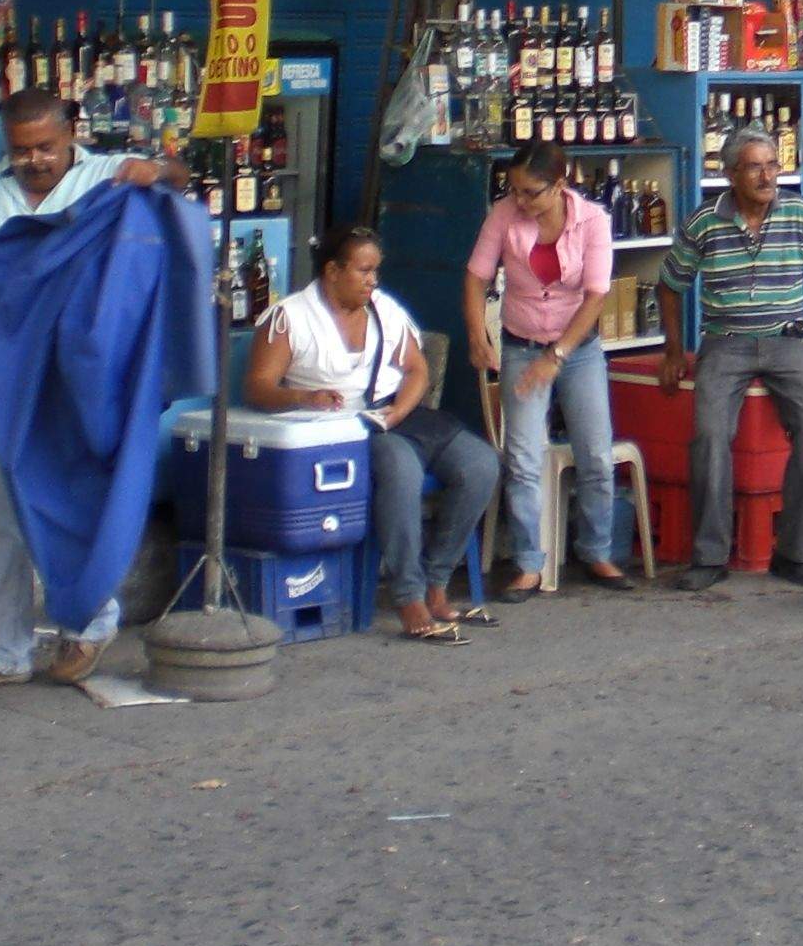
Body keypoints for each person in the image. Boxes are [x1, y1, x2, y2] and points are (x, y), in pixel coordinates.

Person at [0, 86, 169, 693]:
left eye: (46, 146)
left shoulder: (109, 175)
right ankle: (2, 650)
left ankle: (89, 622)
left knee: (78, 494)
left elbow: (179, 181)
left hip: (90, 372)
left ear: (72, 133)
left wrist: (157, 170)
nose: (34, 159)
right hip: (9, 372)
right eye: (21, 149)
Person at [248, 226, 499, 640]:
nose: (373, 281)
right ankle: (408, 594)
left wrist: (401, 408)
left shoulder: (384, 309)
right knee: (401, 471)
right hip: (339, 429)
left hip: (394, 415)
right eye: (364, 271)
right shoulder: (291, 317)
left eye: (375, 271)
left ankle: (437, 579)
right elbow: (257, 388)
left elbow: (418, 370)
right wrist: (303, 397)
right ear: (332, 270)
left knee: (481, 463)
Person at [659, 124, 803, 592]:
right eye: (755, 167)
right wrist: (674, 351)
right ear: (731, 175)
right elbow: (669, 285)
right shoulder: (704, 222)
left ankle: (794, 552)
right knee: (710, 434)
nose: (766, 176)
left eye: (772, 165)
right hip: (725, 340)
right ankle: (710, 555)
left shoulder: (800, 214)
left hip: (786, 342)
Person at [464, 144, 633, 595]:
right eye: (513, 190)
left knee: (595, 451)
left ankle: (596, 550)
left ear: (560, 186)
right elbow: (477, 276)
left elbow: (596, 295)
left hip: (577, 350)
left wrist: (555, 355)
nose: (520, 201)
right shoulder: (503, 216)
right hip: (521, 343)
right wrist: (478, 333)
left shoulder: (592, 220)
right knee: (521, 457)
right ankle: (527, 562)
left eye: (531, 193)